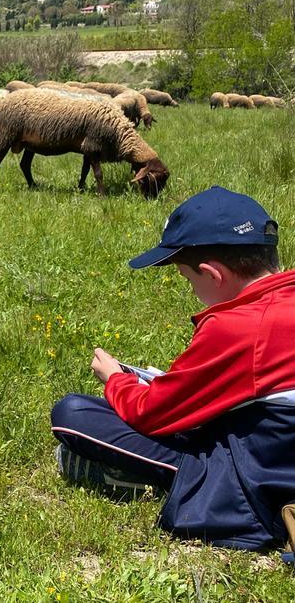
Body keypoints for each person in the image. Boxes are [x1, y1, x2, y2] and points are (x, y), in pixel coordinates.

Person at [50, 186, 295, 550]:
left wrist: (115, 379)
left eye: (188, 278)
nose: (191, 289)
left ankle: (152, 477)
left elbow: (151, 413)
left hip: (263, 471)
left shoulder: (240, 326)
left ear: (213, 275)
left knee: (72, 414)